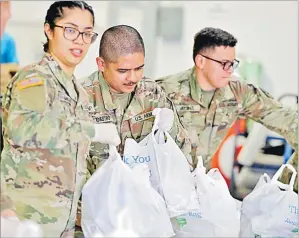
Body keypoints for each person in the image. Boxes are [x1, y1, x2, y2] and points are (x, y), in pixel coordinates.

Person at [0, 1, 119, 237]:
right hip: (25, 220)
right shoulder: (35, 79)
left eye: (87, 34)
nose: (79, 41)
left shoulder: (79, 93)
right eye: (70, 30)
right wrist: (91, 131)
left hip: (62, 223)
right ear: (49, 30)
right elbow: (22, 129)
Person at [75, 24, 191, 237]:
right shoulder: (81, 98)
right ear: (101, 64)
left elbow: (180, 147)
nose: (133, 78)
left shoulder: (151, 94)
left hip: (144, 211)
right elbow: (68, 166)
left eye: (139, 68)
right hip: (93, 216)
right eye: (123, 70)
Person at [156, 27, 298, 191]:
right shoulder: (164, 92)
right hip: (162, 187)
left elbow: (285, 118)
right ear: (201, 61)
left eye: (232, 64)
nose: (230, 70)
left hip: (200, 188)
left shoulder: (236, 91)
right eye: (223, 64)